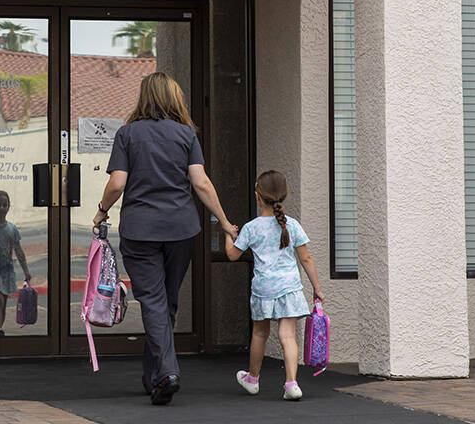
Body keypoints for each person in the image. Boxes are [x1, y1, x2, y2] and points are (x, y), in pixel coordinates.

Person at [93, 71, 239, 406]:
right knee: (166, 301)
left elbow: (117, 183)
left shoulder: (128, 134)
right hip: (181, 230)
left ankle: (167, 372)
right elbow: (201, 183)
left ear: (144, 98)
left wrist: (102, 210)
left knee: (155, 302)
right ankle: (154, 376)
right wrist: (225, 222)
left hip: (141, 231)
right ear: (174, 98)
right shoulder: (186, 134)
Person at [224, 169, 324, 401]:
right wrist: (317, 288)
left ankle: (252, 379)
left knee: (260, 333)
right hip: (289, 287)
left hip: (264, 289)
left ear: (258, 196)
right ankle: (291, 384)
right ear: (284, 196)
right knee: (287, 336)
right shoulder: (293, 225)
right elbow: (306, 258)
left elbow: (231, 255)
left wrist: (229, 234)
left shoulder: (251, 228)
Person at [0, 189, 31, 336]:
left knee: (4, 300)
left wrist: (26, 271)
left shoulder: (12, 228)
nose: (2, 208)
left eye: (5, 205)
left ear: (9, 206)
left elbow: (18, 250)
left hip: (7, 270)